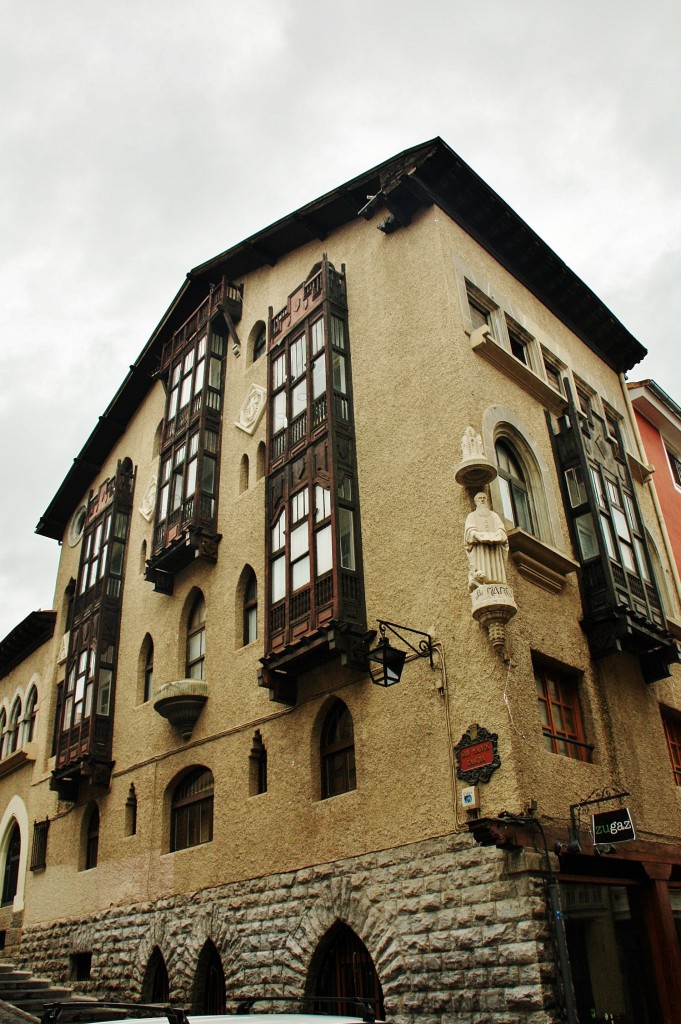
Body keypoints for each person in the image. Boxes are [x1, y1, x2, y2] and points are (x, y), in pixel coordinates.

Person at [464, 492, 508, 590]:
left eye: (484, 498)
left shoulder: (494, 515)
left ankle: (498, 586)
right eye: (479, 498)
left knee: (496, 571)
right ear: (475, 501)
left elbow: (501, 529)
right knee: (482, 569)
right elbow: (469, 530)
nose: (482, 500)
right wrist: (477, 535)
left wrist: (498, 535)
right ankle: (482, 584)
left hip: (495, 548)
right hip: (480, 549)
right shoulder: (472, 516)